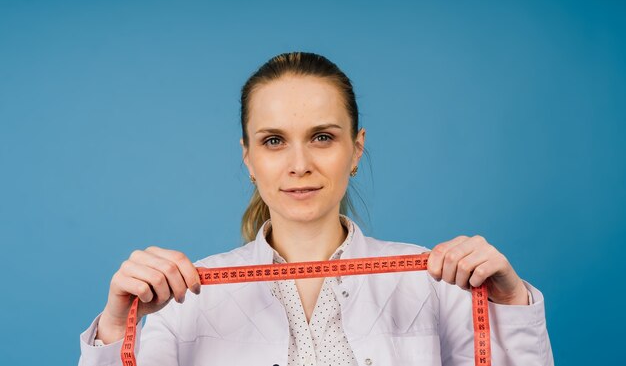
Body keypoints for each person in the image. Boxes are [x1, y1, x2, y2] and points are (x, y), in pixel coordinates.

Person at [78, 52, 553, 366]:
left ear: (357, 149)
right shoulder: (182, 299)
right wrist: (119, 326)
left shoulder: (434, 283)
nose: (299, 165)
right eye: (274, 141)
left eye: (322, 138)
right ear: (248, 157)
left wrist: (509, 307)